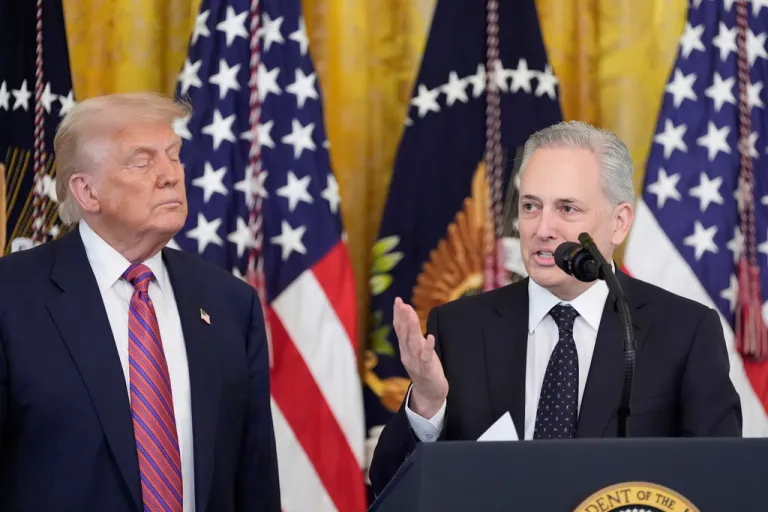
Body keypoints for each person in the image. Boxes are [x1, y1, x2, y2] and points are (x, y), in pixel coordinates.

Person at [368, 120, 742, 495]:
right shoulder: (458, 328)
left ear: (619, 222)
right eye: (531, 206)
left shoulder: (684, 332)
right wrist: (428, 402)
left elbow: (721, 482)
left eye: (567, 208)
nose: (542, 228)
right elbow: (389, 486)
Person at [0, 93, 280, 511]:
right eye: (142, 161)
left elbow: (253, 479)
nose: (171, 175)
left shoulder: (229, 303)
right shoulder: (11, 296)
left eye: (174, 156)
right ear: (87, 192)